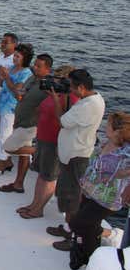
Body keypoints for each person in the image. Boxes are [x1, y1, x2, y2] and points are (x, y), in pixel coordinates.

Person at [68, 112, 130, 270]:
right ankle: (88, 258)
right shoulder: (105, 142)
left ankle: (92, 266)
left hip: (107, 198)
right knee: (87, 228)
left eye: (108, 125)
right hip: (89, 191)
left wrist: (124, 177)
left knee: (77, 224)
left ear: (118, 131)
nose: (105, 127)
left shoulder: (126, 153)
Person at [50, 69, 106, 251]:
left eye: (72, 87)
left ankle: (72, 236)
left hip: (76, 156)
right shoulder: (94, 99)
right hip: (74, 154)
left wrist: (56, 99)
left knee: (72, 197)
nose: (70, 90)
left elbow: (63, 121)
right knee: (68, 195)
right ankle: (68, 228)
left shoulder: (87, 105)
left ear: (81, 88)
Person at [17, 65, 78, 219]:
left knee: (49, 177)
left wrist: (57, 98)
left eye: (57, 79)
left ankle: (39, 209)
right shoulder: (53, 94)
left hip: (54, 141)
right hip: (43, 138)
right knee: (41, 174)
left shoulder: (71, 98)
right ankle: (34, 204)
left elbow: (65, 120)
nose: (54, 82)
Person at [0, 53, 53, 194]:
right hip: (20, 120)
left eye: (39, 66)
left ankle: (39, 151)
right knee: (24, 155)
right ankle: (18, 184)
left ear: (48, 69)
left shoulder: (48, 86)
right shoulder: (32, 78)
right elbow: (19, 94)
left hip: (30, 125)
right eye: (35, 64)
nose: (35, 67)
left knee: (8, 147)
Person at [0, 43, 34, 175]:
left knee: (5, 135)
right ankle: (6, 159)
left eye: (17, 56)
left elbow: (17, 91)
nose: (14, 58)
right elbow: (1, 84)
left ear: (25, 58)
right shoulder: (11, 68)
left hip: (12, 108)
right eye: (14, 56)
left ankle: (1, 163)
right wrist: (1, 77)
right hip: (3, 104)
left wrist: (6, 77)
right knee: (2, 133)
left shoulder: (26, 73)